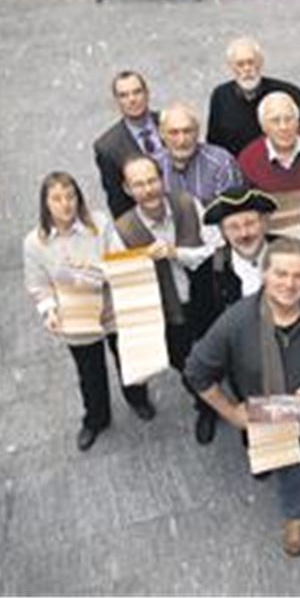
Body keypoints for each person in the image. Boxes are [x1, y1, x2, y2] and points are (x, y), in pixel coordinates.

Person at [184, 239, 300, 557]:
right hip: (272, 426)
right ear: (264, 275)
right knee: (287, 472)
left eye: (299, 276)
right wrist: (231, 413)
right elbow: (196, 372)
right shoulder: (236, 321)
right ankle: (297, 514)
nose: (289, 283)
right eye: (281, 274)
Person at [23, 172, 155, 451]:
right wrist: (49, 311)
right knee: (89, 371)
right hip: (77, 316)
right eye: (57, 199)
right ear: (45, 204)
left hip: (112, 306)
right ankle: (96, 418)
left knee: (127, 358)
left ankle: (137, 398)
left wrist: (93, 275)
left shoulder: (100, 223)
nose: (65, 204)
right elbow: (38, 285)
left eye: (70, 196)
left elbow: (119, 258)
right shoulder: (34, 243)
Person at [107, 155, 223, 445]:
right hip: (164, 312)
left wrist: (177, 253)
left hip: (203, 299)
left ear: (162, 179)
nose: (148, 189)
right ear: (127, 189)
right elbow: (122, 282)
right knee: (183, 363)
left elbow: (215, 245)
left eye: (152, 180)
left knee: (216, 350)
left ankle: (219, 388)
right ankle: (206, 406)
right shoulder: (121, 230)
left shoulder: (188, 203)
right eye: (139, 184)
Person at [206, 37, 300, 157]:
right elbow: (214, 142)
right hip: (236, 170)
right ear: (231, 67)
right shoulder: (220, 96)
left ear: (260, 62)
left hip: (276, 169)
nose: (247, 69)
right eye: (240, 64)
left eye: (251, 62)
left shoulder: (284, 93)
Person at [93, 70, 164, 218]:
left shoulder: (171, 122)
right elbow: (118, 203)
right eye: (124, 95)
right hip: (147, 226)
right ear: (116, 101)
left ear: (147, 93)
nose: (132, 99)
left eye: (137, 92)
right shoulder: (107, 147)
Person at [200, 184, 278, 320]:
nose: (244, 234)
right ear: (223, 232)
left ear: (264, 223)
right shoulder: (207, 275)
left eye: (250, 223)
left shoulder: (297, 255)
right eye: (233, 227)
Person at [237, 91, 300, 193]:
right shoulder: (248, 160)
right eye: (275, 121)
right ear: (263, 126)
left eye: (289, 119)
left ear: (298, 122)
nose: (284, 127)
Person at [157, 102, 242, 205]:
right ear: (161, 134)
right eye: (174, 133)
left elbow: (231, 208)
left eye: (187, 131)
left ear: (198, 131)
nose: (182, 140)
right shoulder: (153, 165)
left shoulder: (221, 162)